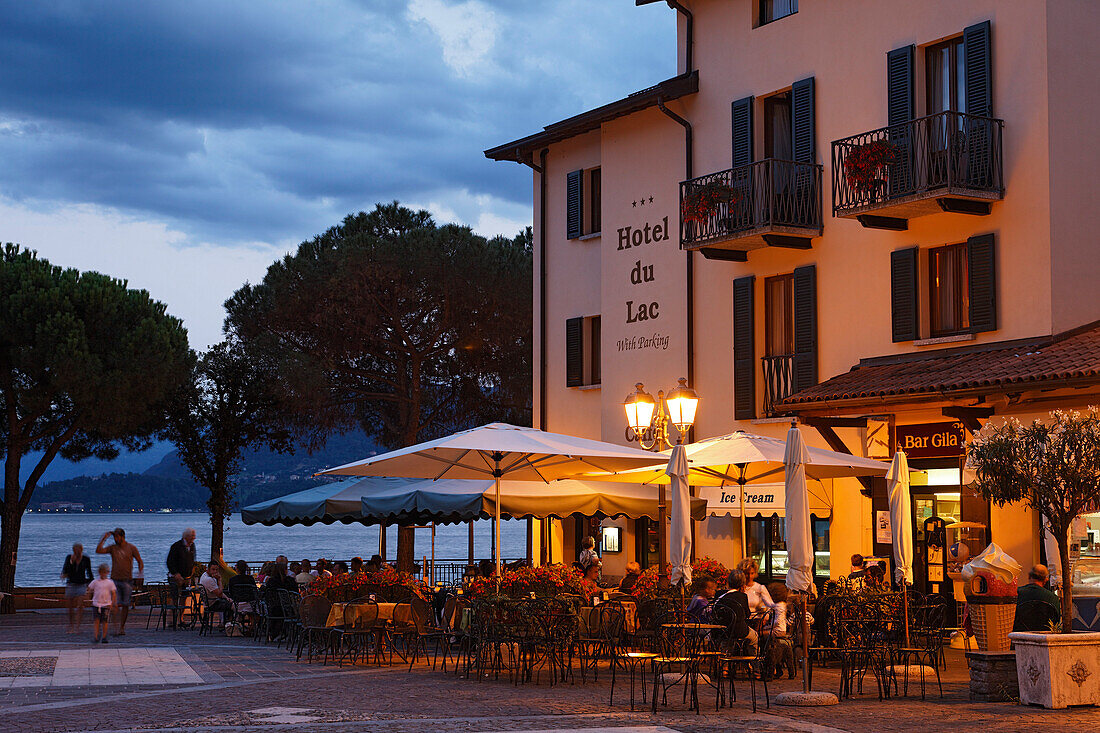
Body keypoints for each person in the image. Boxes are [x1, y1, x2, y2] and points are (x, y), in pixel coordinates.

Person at [96, 527, 143, 636]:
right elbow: (98, 550)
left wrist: (140, 573)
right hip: (115, 580)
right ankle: (116, 627)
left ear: (122, 536)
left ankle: (122, 627)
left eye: (117, 537)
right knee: (114, 604)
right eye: (114, 537)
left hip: (127, 580)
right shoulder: (113, 548)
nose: (116, 539)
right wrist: (104, 539)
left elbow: (140, 561)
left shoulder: (131, 548)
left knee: (126, 604)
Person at [716, 569, 758, 655]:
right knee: (755, 638)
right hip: (738, 631)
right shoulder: (742, 596)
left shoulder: (719, 594)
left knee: (726, 642)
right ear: (743, 583)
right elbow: (747, 615)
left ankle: (725, 665)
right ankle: (753, 663)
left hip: (721, 631)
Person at [1013, 564, 1062, 632]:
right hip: (1044, 638)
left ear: (1029, 576)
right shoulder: (1053, 598)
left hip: (1020, 635)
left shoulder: (1016, 593)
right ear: (1045, 580)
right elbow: (1056, 622)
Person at [763, 583, 796, 679]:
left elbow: (776, 622)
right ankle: (779, 670)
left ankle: (765, 667)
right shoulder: (781, 604)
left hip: (778, 630)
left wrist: (767, 628)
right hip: (781, 629)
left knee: (761, 634)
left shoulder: (778, 606)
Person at [61, 543, 93, 633]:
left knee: (80, 606)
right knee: (70, 607)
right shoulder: (69, 558)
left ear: (81, 550)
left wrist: (90, 585)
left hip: (81, 585)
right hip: (71, 584)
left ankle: (77, 626)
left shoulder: (86, 559)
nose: (77, 552)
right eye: (75, 550)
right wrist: (72, 562)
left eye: (79, 550)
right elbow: (65, 570)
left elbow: (89, 572)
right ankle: (71, 625)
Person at [86, 563, 117, 644]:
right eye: (102, 572)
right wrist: (89, 598)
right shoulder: (95, 582)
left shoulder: (110, 582)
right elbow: (89, 589)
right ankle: (96, 636)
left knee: (105, 621)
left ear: (107, 572)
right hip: (96, 604)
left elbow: (113, 593)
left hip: (106, 604)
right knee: (96, 621)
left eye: (105, 572)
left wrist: (113, 603)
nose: (103, 574)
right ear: (99, 572)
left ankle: (104, 636)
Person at [166, 528, 197, 605]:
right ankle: (174, 615)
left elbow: (192, 559)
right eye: (192, 536)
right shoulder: (176, 546)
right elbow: (170, 562)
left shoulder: (192, 546)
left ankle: (181, 616)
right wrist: (176, 573)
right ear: (186, 536)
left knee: (185, 596)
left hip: (187, 577)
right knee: (175, 597)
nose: (194, 538)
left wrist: (192, 570)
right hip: (176, 577)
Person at [198, 562, 234, 627]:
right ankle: (229, 626)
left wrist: (227, 598)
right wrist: (219, 580)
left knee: (229, 601)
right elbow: (219, 594)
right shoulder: (209, 580)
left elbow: (219, 592)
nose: (215, 571)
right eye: (213, 569)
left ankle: (225, 623)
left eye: (217, 570)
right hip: (212, 604)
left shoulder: (204, 575)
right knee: (233, 605)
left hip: (208, 602)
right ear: (208, 569)